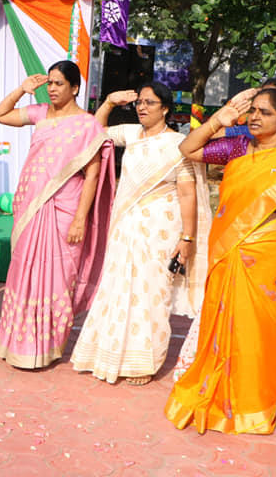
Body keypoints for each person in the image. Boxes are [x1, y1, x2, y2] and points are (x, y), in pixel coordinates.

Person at [165, 87, 276, 435]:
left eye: (265, 113)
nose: (255, 118)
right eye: (252, 111)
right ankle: (213, 401)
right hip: (228, 258)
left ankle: (251, 409)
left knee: (260, 335)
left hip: (270, 263)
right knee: (221, 327)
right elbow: (188, 148)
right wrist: (219, 118)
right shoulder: (239, 147)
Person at [70, 82, 210, 385]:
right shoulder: (132, 134)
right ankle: (106, 352)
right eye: (140, 102)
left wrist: (187, 239)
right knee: (117, 287)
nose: (142, 107)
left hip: (160, 230)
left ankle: (144, 361)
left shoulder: (178, 144)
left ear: (166, 109)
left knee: (151, 292)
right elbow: (95, 132)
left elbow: (188, 194)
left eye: (150, 102)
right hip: (126, 226)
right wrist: (109, 101)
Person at [0, 62, 115, 369]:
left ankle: (46, 347)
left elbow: (92, 175)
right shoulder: (40, 113)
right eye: (50, 83)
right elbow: (0, 114)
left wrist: (79, 219)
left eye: (60, 83)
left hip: (65, 210)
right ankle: (17, 344)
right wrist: (23, 88)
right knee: (24, 272)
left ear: (75, 88)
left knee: (59, 278)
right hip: (30, 207)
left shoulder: (87, 125)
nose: (53, 89)